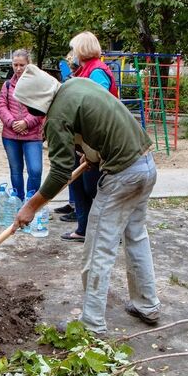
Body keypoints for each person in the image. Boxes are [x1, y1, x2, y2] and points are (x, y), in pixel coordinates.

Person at [13, 64, 160, 335]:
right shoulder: (75, 85)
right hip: (145, 165)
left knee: (98, 248)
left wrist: (30, 207)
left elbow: (59, 172)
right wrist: (92, 156)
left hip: (122, 176)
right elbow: (104, 123)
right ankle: (147, 305)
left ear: (35, 103)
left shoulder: (56, 116)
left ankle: (92, 324)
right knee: (136, 237)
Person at [61, 31, 119, 243]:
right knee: (77, 184)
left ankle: (107, 233)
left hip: (97, 141)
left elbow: (96, 105)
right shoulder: (83, 70)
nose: (73, 54)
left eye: (75, 49)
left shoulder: (97, 71)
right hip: (82, 140)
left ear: (82, 49)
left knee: (92, 186)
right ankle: (83, 228)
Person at [0, 49, 42, 201]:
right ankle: (19, 200)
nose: (18, 68)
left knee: (35, 170)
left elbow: (41, 107)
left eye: (22, 65)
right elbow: (2, 106)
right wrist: (13, 123)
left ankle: (32, 201)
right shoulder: (8, 85)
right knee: (16, 170)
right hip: (11, 135)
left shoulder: (37, 85)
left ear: (28, 64)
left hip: (33, 135)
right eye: (15, 64)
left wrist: (26, 123)